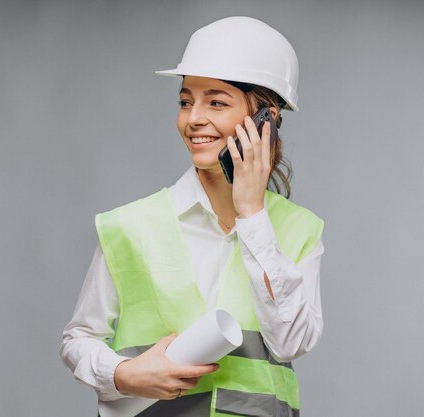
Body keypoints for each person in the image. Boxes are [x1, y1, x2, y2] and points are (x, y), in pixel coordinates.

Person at [60, 16, 325, 417]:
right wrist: (122, 375)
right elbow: (79, 338)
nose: (193, 118)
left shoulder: (298, 230)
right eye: (186, 101)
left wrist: (253, 215)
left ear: (265, 119)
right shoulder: (129, 227)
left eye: (216, 102)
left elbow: (291, 344)